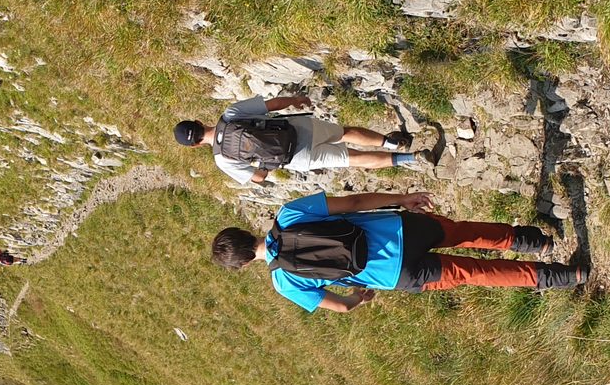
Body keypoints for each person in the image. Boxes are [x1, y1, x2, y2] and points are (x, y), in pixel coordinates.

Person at [211, 190, 584, 312]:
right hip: (402, 229)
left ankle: (563, 276)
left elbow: (341, 306)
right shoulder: (289, 214)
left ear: (244, 264)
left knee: (475, 273)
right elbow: (355, 202)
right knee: (464, 233)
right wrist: (401, 198)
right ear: (245, 232)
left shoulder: (284, 283)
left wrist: (360, 296)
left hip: (396, 275)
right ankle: (536, 241)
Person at [174, 93, 423, 186]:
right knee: (344, 132)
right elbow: (271, 105)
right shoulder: (230, 115)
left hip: (295, 159)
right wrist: (295, 100)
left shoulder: (222, 161)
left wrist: (267, 158)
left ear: (195, 145)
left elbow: (259, 177)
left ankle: (411, 158)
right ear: (198, 122)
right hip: (299, 129)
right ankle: (391, 142)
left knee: (353, 159)